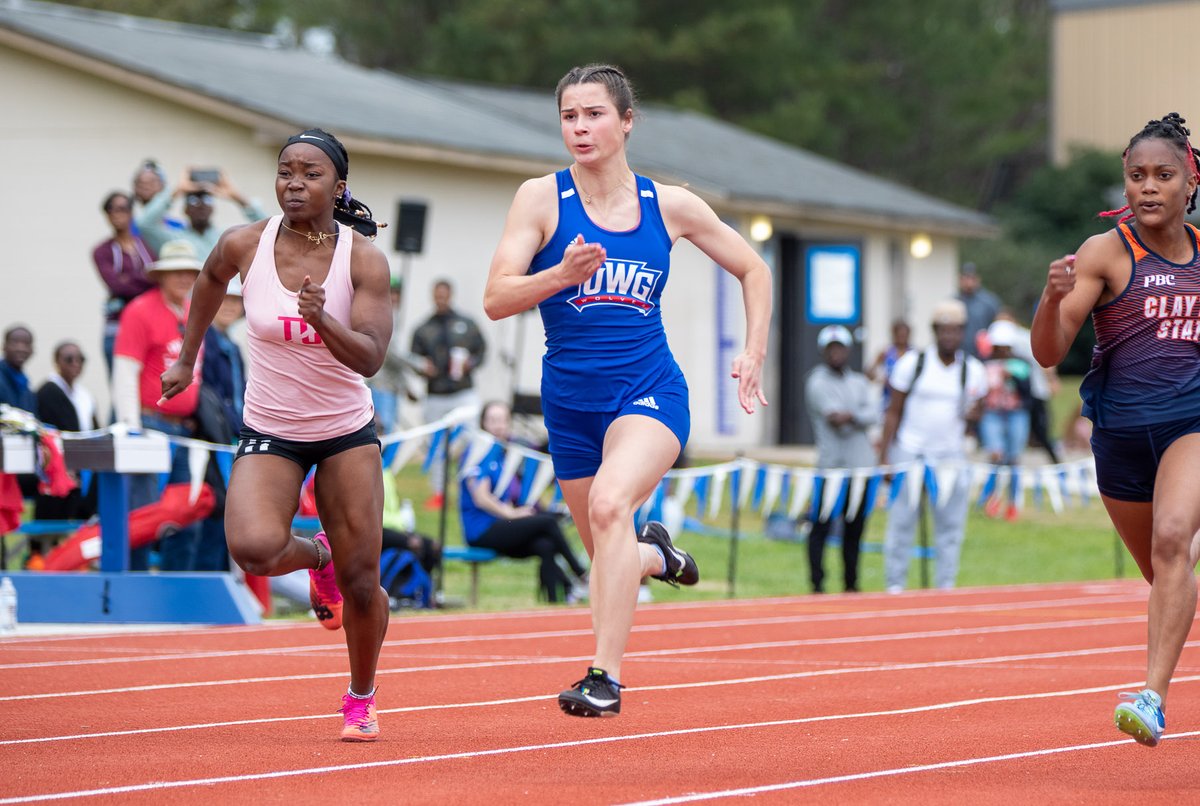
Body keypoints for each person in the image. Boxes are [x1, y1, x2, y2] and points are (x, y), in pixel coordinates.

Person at [483, 64, 771, 717]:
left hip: (649, 393)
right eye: (569, 116)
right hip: (569, 404)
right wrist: (559, 273)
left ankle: (603, 678)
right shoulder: (539, 200)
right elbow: (497, 298)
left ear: (627, 121)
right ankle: (655, 556)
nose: (579, 127)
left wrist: (753, 350)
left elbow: (753, 267)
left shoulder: (668, 205)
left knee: (613, 506)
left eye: (593, 114)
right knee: (605, 554)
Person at [160, 127, 392, 742]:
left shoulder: (362, 259)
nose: (295, 182)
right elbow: (208, 281)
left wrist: (323, 321)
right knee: (255, 548)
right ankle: (316, 555)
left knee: (363, 581)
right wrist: (188, 359)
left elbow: (370, 358)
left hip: (345, 429)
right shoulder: (245, 243)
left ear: (339, 186)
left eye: (311, 173)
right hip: (271, 426)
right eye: (286, 170)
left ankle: (361, 697)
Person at [1030, 112, 1200, 748]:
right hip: (1121, 436)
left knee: (1175, 538)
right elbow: (1048, 354)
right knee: (1168, 576)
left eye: (1163, 175)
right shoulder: (1105, 253)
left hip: (1191, 424)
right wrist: (1051, 299)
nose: (1148, 188)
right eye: (1136, 177)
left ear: (1191, 181)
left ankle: (1151, 697)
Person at [878, 299, 986, 593]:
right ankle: (895, 585)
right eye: (943, 330)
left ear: (962, 332)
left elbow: (975, 411)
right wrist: (885, 455)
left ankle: (945, 585)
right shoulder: (912, 364)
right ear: (935, 331)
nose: (949, 336)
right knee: (901, 522)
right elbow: (893, 411)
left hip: (951, 455)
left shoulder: (972, 370)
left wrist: (977, 415)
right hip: (911, 450)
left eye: (955, 330)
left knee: (951, 526)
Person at [112, 240, 206, 572]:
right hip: (149, 424)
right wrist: (130, 427)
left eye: (190, 272)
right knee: (143, 510)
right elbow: (125, 370)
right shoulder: (140, 310)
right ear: (161, 276)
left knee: (185, 510)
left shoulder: (194, 309)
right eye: (176, 272)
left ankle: (174, 586)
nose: (184, 278)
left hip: (183, 430)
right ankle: (135, 582)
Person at [461, 400, 588, 603]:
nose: (498, 426)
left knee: (545, 545)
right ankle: (582, 575)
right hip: (482, 529)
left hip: (501, 525)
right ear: (483, 423)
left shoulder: (503, 454)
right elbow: (481, 497)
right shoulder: (477, 451)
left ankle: (556, 601)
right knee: (547, 522)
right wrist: (512, 514)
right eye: (492, 420)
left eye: (502, 420)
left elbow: (516, 493)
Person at [804, 325, 876, 594]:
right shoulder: (817, 381)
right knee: (820, 527)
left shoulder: (858, 381)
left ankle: (851, 583)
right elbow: (836, 419)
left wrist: (854, 415)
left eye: (840, 348)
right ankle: (817, 583)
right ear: (824, 351)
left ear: (848, 350)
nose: (836, 353)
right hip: (831, 467)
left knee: (854, 530)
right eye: (831, 348)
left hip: (860, 467)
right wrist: (859, 415)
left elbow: (874, 414)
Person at [410, 279, 487, 508]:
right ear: (433, 296)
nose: (441, 298)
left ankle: (472, 488)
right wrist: (423, 367)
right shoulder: (423, 328)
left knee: (472, 438)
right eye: (437, 295)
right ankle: (438, 493)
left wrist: (471, 364)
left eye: (444, 294)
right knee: (436, 445)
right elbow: (413, 358)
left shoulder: (466, 323)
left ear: (450, 295)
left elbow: (482, 350)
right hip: (436, 394)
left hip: (463, 392)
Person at [30, 342, 99, 564]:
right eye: (69, 359)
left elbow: (94, 429)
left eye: (80, 359)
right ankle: (40, 556)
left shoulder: (84, 395)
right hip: (55, 468)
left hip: (81, 467)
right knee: (53, 516)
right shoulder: (48, 392)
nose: (75, 364)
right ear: (56, 361)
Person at [136, 168, 267, 258]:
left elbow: (270, 229)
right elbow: (144, 224)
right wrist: (177, 189)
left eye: (206, 199)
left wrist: (236, 196)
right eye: (193, 200)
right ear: (185, 209)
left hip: (228, 298)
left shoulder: (228, 237)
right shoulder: (174, 240)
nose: (201, 204)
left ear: (213, 208)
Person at [93, 191, 156, 373]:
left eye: (123, 208)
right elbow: (117, 285)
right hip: (118, 326)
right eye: (111, 209)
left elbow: (160, 280)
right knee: (121, 386)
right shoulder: (102, 251)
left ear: (131, 212)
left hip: (149, 324)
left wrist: (129, 277)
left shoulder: (146, 244)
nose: (117, 213)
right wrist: (146, 276)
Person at [978, 319, 1033, 521]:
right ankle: (990, 499)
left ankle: (1013, 503)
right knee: (996, 456)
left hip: (1016, 414)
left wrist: (1013, 377)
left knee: (1014, 459)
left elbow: (1028, 393)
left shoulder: (1021, 365)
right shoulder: (984, 364)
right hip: (992, 414)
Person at [995, 309, 1061, 463]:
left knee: (1040, 427)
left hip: (1035, 389)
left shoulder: (1023, 338)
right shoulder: (1003, 339)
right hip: (1015, 393)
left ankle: (1054, 459)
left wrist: (1051, 379)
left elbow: (1044, 358)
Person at [957, 262, 1002, 358]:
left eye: (972, 278)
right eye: (966, 278)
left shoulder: (989, 302)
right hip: (959, 354)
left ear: (978, 279)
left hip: (983, 356)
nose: (969, 282)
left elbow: (998, 326)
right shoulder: (954, 302)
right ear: (960, 279)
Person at [867, 318, 911, 412]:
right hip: (889, 398)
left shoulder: (913, 354)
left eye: (904, 335)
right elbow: (869, 372)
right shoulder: (886, 352)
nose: (902, 337)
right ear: (894, 334)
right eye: (899, 334)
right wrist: (881, 379)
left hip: (908, 399)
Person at [0, 326, 36, 414]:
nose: (21, 348)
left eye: (26, 344)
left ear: (32, 350)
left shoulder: (26, 387)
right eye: (15, 342)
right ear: (4, 346)